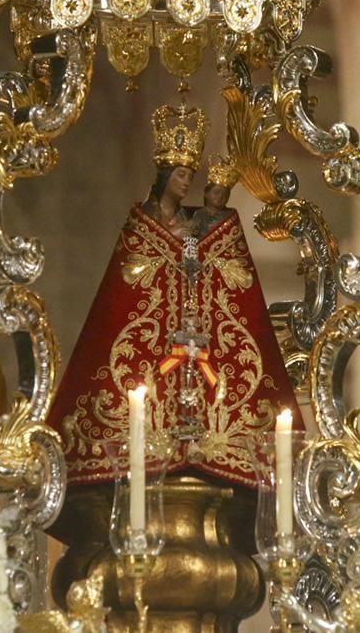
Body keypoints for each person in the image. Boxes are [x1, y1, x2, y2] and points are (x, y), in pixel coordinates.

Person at [46, 103, 302, 488]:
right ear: (165, 175)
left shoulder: (196, 224)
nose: (187, 183)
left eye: (191, 176)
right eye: (182, 175)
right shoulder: (142, 227)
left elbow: (223, 263)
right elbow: (128, 292)